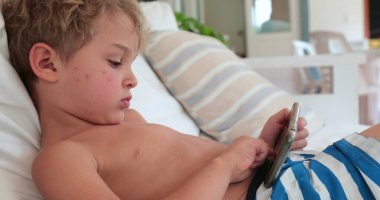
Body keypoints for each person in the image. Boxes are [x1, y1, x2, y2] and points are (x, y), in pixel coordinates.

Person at [2, 0, 379, 199]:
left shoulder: (128, 123)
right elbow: (216, 177)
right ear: (47, 63)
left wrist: (261, 150)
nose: (133, 79)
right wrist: (225, 164)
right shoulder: (61, 160)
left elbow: (194, 170)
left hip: (294, 176)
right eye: (116, 62)